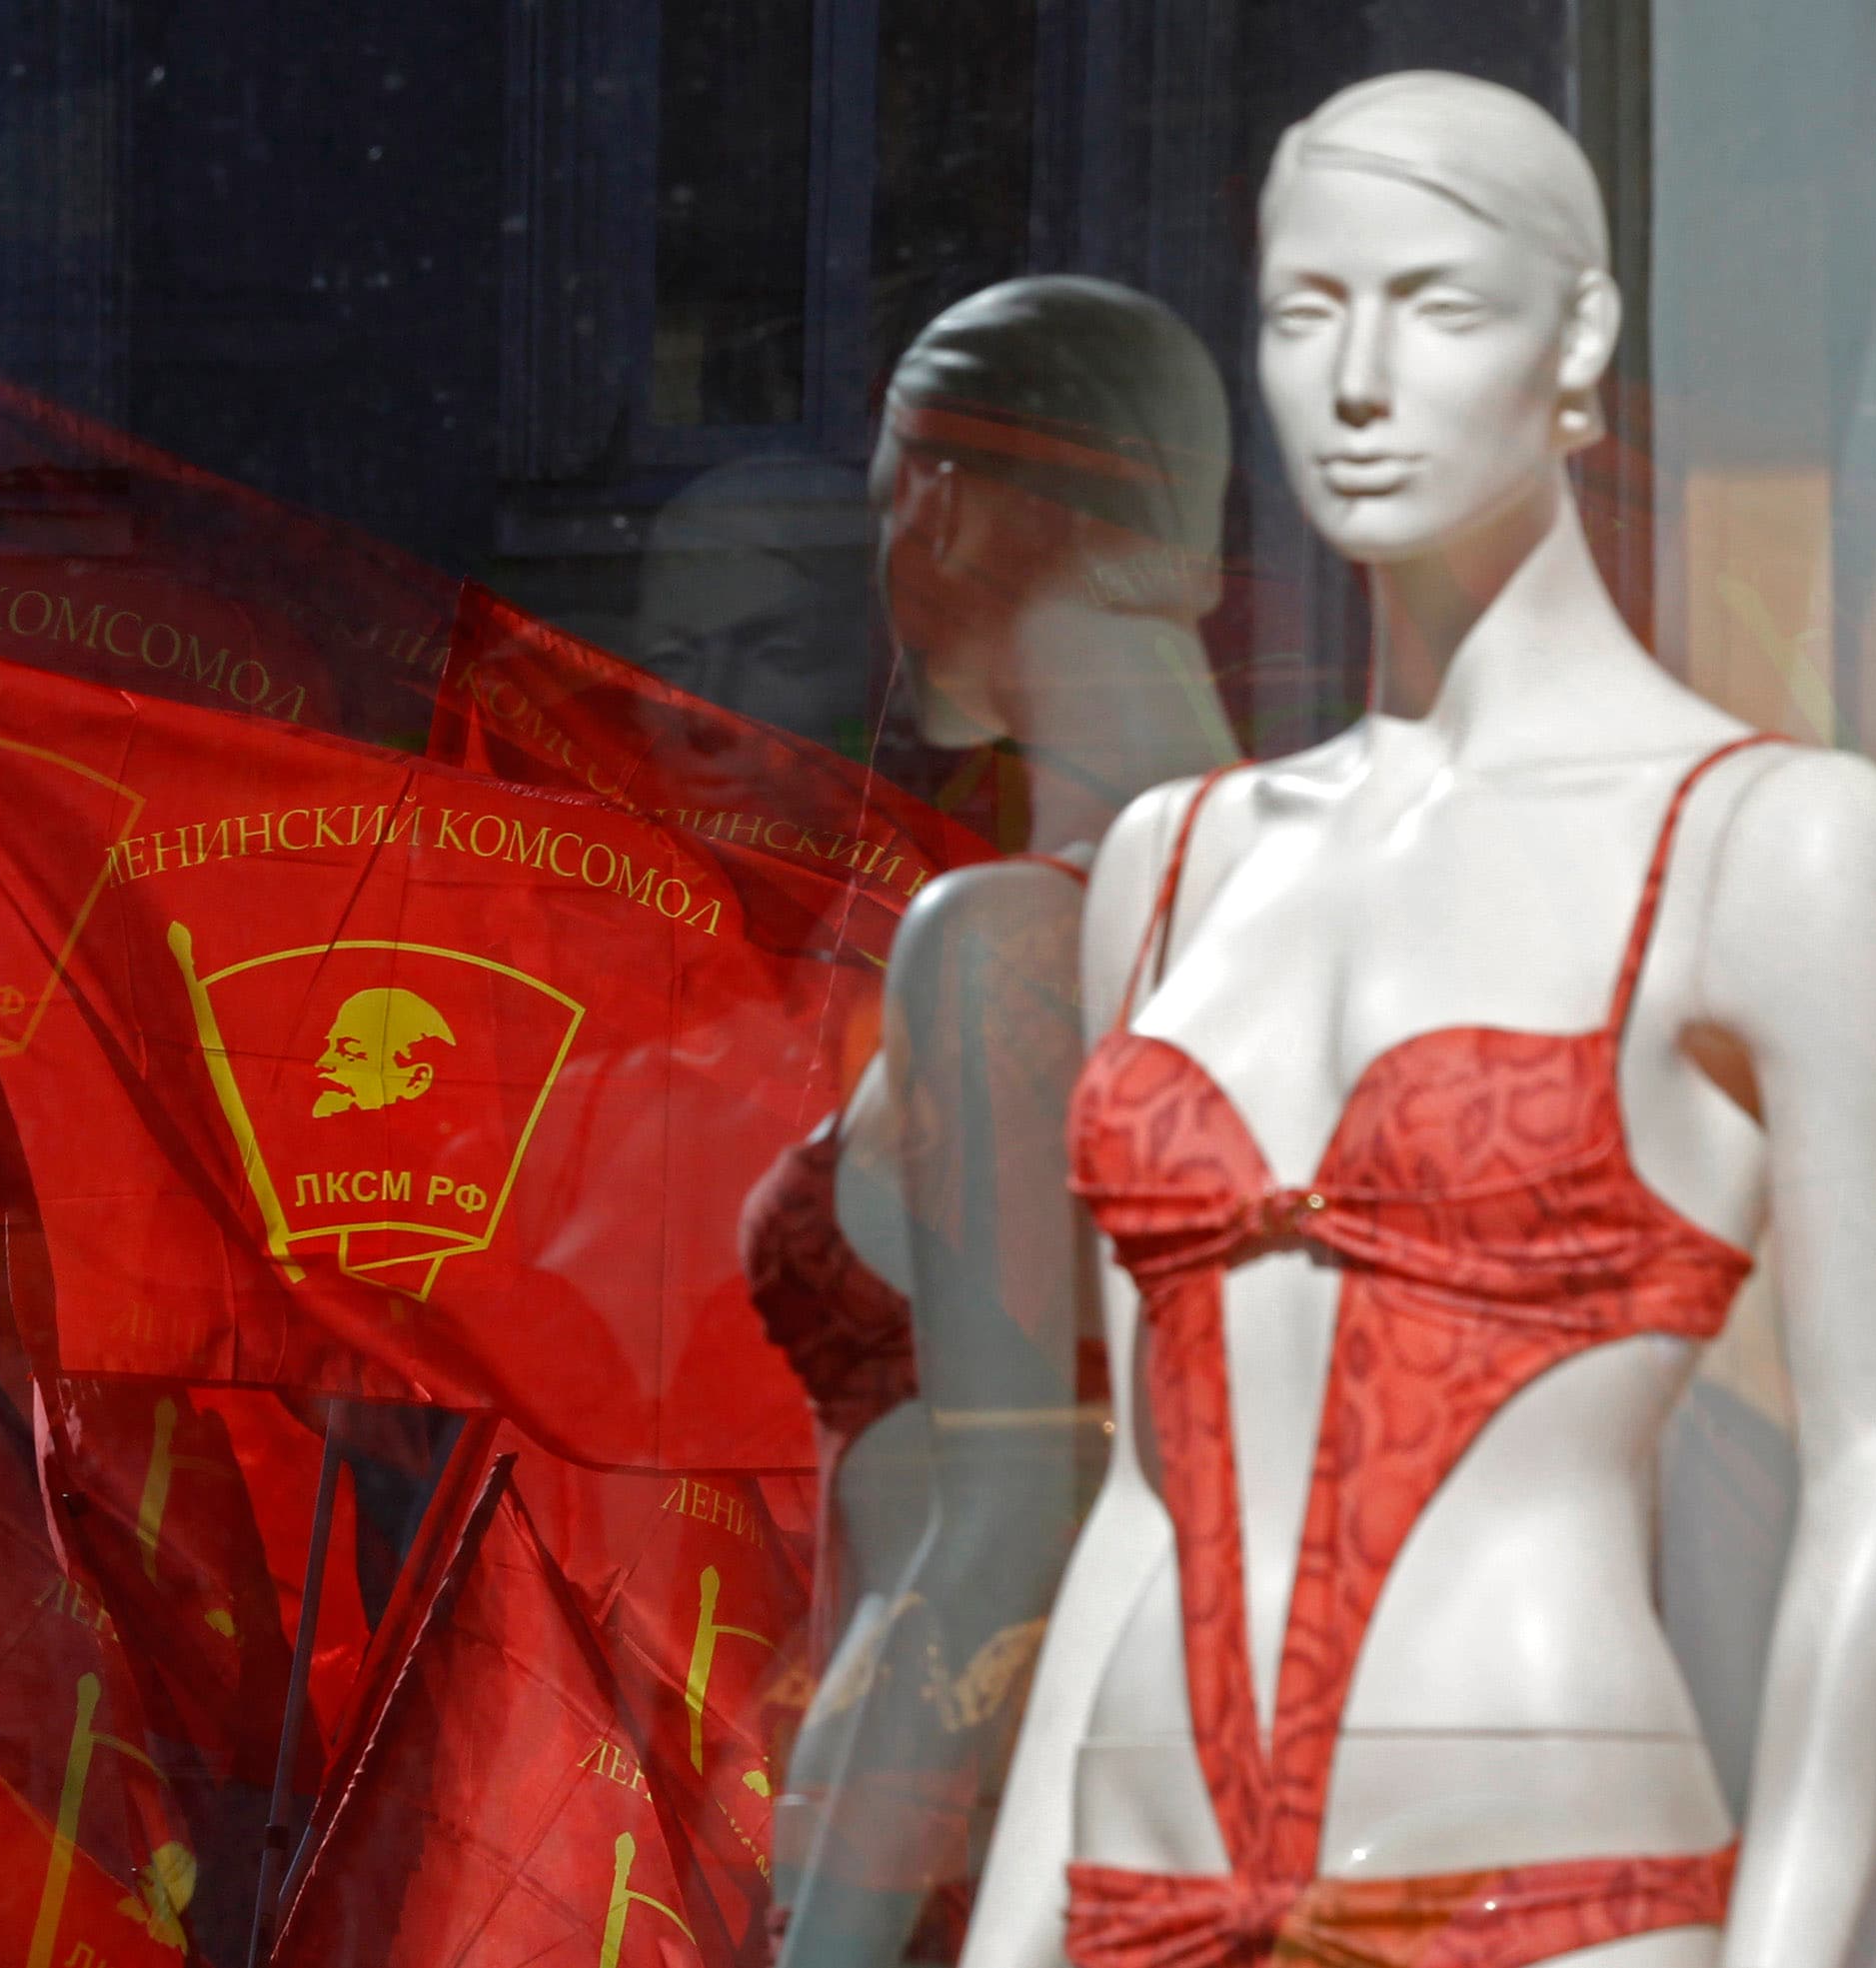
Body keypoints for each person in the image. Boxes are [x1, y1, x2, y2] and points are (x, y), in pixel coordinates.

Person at [970, 72, 1876, 1968]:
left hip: (1543, 1888)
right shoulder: (1171, 865)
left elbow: (1872, 1476)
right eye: (1306, 312)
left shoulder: (1766, 844)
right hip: (1135, 1891)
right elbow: (1144, 1488)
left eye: (1440, 305)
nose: (1361, 381)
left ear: (1582, 335)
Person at [750, 277, 1234, 1968]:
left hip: (956, 1856)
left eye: (886, 507)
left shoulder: (1011, 942)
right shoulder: (1303, 918)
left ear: (944, 504)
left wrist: (838, 1935)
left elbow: (1009, 1511)